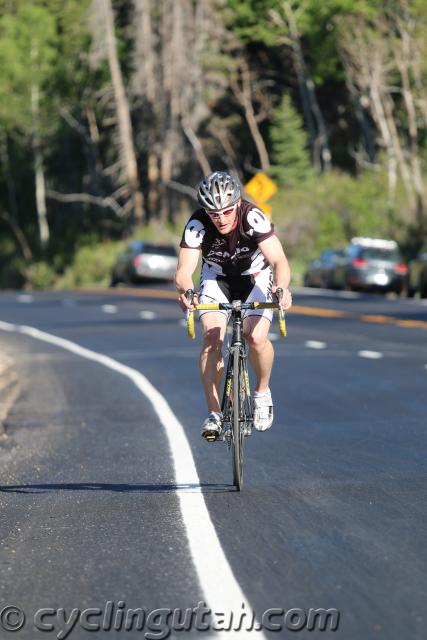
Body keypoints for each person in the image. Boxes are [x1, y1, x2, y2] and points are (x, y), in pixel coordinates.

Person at [175, 171, 292, 441]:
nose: (221, 218)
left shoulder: (253, 216)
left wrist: (282, 288)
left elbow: (279, 261)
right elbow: (184, 270)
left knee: (256, 336)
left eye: (227, 211)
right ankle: (215, 412)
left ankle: (262, 392)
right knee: (211, 338)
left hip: (255, 277)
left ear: (237, 205)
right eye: (214, 213)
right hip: (217, 278)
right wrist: (187, 291)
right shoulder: (197, 224)